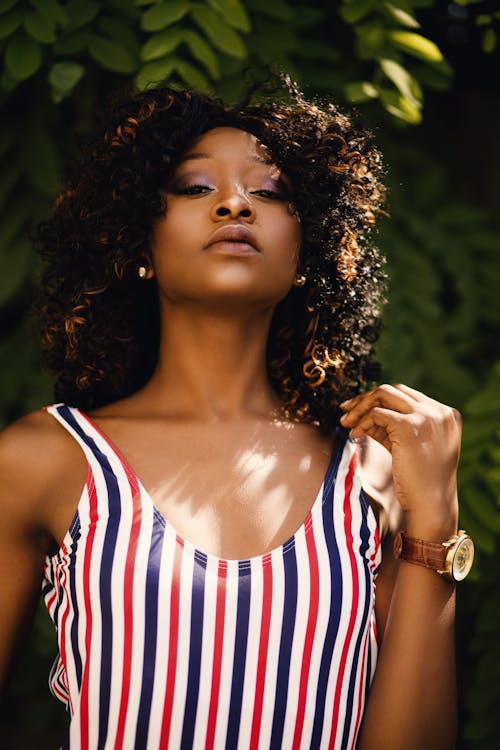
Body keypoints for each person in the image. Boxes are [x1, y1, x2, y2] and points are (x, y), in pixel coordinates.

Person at [0, 78, 472, 750]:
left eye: (271, 192)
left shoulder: (373, 473)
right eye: (196, 187)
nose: (234, 204)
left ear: (308, 254)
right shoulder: (45, 458)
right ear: (137, 243)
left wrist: (435, 525)